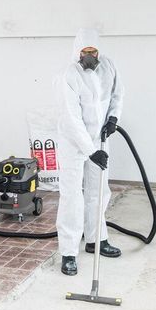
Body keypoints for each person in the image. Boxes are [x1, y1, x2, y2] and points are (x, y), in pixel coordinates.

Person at [55, 28, 124, 276]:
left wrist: (114, 117)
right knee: (72, 195)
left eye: (93, 51)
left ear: (98, 50)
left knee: (99, 190)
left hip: (99, 139)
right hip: (74, 143)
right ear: (77, 52)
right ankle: (69, 252)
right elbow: (72, 119)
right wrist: (90, 150)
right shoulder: (69, 75)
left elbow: (118, 94)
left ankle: (97, 240)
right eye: (84, 52)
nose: (89, 56)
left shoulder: (108, 66)